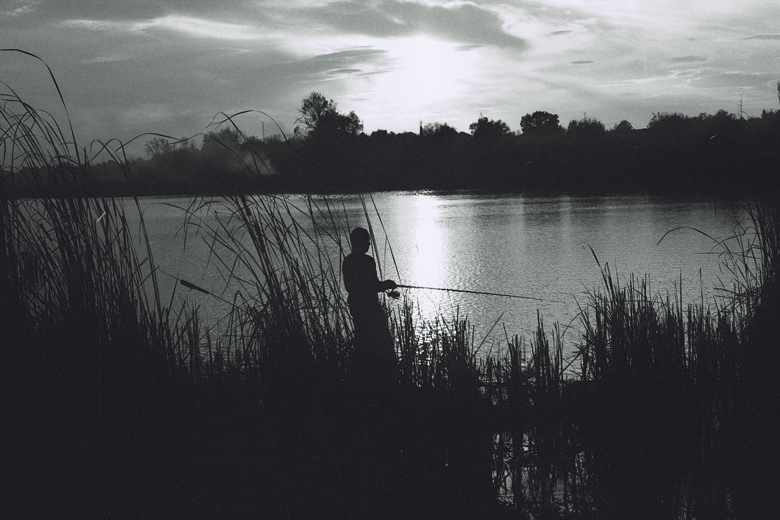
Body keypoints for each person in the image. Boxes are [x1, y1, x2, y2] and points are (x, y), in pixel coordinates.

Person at [342, 227, 399, 384]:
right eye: (367, 240)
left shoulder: (347, 261)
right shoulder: (368, 261)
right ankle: (385, 376)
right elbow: (373, 285)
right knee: (381, 341)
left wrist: (384, 287)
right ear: (360, 242)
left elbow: (351, 287)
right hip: (371, 309)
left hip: (356, 309)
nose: (369, 243)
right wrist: (387, 284)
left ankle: (364, 375)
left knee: (363, 339)